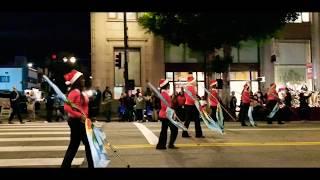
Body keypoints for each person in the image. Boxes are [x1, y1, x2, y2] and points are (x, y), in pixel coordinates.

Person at [61, 69, 94, 168]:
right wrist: (80, 116)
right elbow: (67, 107)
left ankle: (65, 166)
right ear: (77, 81)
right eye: (81, 79)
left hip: (82, 121)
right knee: (87, 145)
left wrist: (87, 117)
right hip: (76, 122)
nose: (83, 80)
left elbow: (84, 107)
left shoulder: (81, 91)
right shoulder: (74, 92)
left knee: (74, 145)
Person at [156, 79, 178, 150]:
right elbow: (165, 106)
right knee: (174, 129)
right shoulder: (164, 94)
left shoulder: (164, 93)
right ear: (166, 86)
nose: (169, 85)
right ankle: (169, 144)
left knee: (164, 130)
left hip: (165, 114)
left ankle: (161, 145)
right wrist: (172, 112)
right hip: (166, 115)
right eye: (168, 84)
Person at [182, 74, 204, 138]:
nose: (195, 82)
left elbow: (188, 98)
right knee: (197, 120)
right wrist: (196, 100)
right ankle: (198, 134)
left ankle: (184, 133)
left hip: (187, 105)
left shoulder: (187, 88)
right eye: (194, 81)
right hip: (192, 106)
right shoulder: (191, 88)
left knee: (187, 121)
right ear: (192, 81)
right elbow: (191, 98)